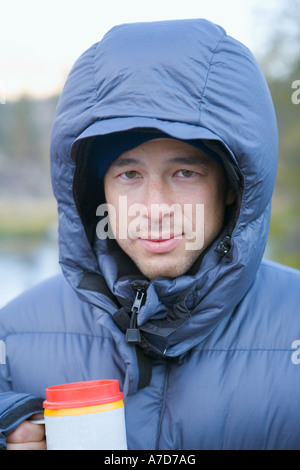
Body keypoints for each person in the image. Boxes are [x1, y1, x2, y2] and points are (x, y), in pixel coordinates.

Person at [1, 18, 300, 451]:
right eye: (129, 174)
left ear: (234, 186)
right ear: (94, 190)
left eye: (185, 172)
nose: (155, 208)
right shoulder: (13, 335)